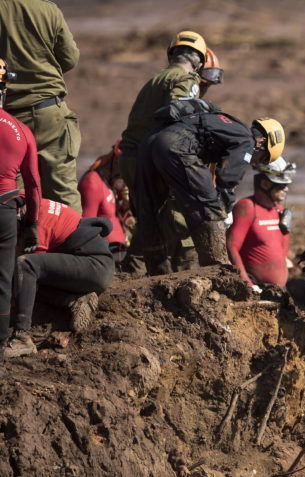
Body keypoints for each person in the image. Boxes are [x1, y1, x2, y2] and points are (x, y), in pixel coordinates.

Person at [134, 97, 285, 274]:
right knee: (209, 206)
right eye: (263, 159)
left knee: (150, 210)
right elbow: (227, 178)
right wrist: (225, 209)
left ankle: (157, 271)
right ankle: (217, 271)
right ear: (262, 143)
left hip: (150, 142)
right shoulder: (247, 140)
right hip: (176, 146)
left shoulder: (227, 124)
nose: (256, 164)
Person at [118, 32, 217, 273]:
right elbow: (179, 114)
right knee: (175, 221)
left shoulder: (155, 79)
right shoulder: (187, 80)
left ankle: (133, 273)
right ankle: (165, 278)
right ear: (199, 64)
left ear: (171, 55)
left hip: (131, 158)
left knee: (149, 221)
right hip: (151, 162)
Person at [4, 198, 114, 358]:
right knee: (21, 278)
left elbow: (23, 273)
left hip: (95, 266)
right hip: (86, 265)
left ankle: (22, 338)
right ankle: (74, 301)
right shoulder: (24, 202)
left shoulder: (38, 227)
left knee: (26, 267)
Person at [0, 0, 81, 211]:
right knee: (63, 197)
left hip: (8, 122)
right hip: (50, 112)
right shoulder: (49, 10)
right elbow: (70, 58)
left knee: (11, 198)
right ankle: (73, 242)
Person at [0, 58, 42, 350]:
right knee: (3, 278)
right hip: (4, 207)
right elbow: (34, 185)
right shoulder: (20, 130)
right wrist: (32, 223)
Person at [227, 157, 295, 288]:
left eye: (287, 185)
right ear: (265, 184)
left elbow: (281, 244)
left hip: (278, 290)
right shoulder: (247, 208)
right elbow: (231, 247)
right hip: (256, 287)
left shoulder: (278, 209)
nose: (286, 189)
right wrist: (248, 285)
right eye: (282, 185)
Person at [79, 141, 129, 265]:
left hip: (120, 252)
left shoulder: (111, 184)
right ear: (113, 161)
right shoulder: (92, 182)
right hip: (108, 255)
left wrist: (126, 205)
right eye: (120, 165)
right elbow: (86, 228)